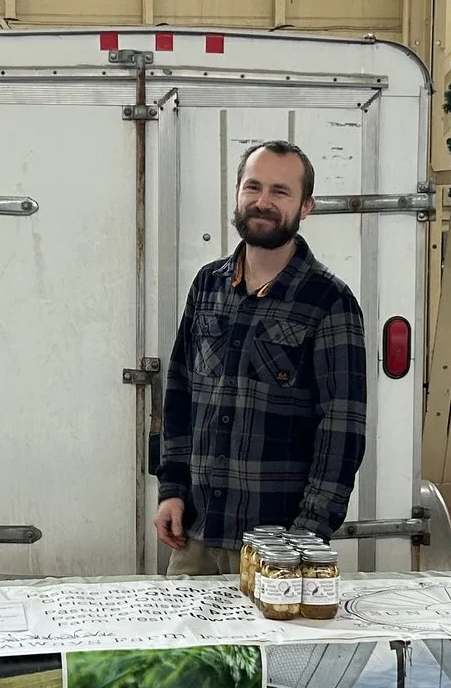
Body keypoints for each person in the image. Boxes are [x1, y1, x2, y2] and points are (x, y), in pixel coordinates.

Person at [152, 141, 368, 575]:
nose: (262, 202)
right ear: (237, 193)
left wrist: (306, 535)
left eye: (280, 192)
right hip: (194, 538)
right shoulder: (207, 285)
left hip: (274, 549)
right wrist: (171, 489)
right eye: (253, 187)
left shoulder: (329, 301)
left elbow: (341, 430)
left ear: (306, 206)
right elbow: (179, 395)